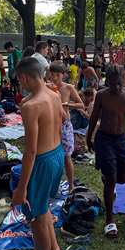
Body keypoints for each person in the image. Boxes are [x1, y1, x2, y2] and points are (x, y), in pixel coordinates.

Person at [12, 57, 67, 250]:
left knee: (37, 219)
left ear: (24, 77)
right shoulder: (54, 95)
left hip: (42, 161)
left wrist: (21, 188)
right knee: (44, 209)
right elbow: (61, 124)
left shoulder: (30, 107)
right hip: (57, 154)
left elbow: (31, 151)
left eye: (19, 81)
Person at [86, 65, 125, 238]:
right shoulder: (102, 95)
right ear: (107, 82)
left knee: (123, 178)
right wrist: (89, 138)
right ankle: (109, 219)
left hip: (121, 139)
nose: (116, 87)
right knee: (111, 179)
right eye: (112, 84)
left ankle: (108, 181)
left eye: (119, 83)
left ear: (123, 82)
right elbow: (94, 117)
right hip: (105, 138)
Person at [47, 61, 84, 191]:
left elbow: (81, 104)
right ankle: (54, 185)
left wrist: (68, 104)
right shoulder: (47, 87)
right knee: (53, 155)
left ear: (63, 75)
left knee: (67, 156)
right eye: (52, 75)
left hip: (65, 124)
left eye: (58, 75)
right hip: (52, 124)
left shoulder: (68, 88)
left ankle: (70, 186)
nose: (54, 78)